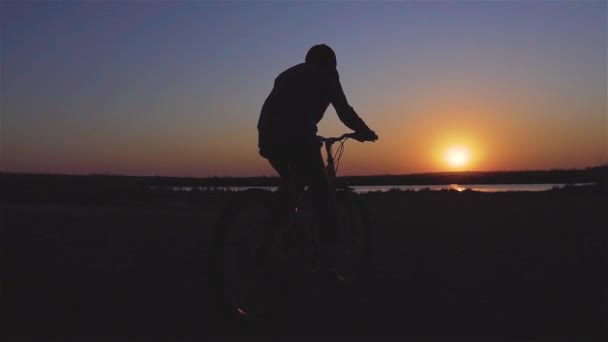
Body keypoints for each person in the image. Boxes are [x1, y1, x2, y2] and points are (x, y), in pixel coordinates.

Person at [257, 44, 378, 271]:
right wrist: (364, 131)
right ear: (330, 63)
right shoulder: (327, 74)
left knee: (294, 183)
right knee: (322, 190)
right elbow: (344, 110)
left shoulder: (288, 73)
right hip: (297, 135)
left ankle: (273, 233)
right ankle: (330, 253)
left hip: (267, 136)